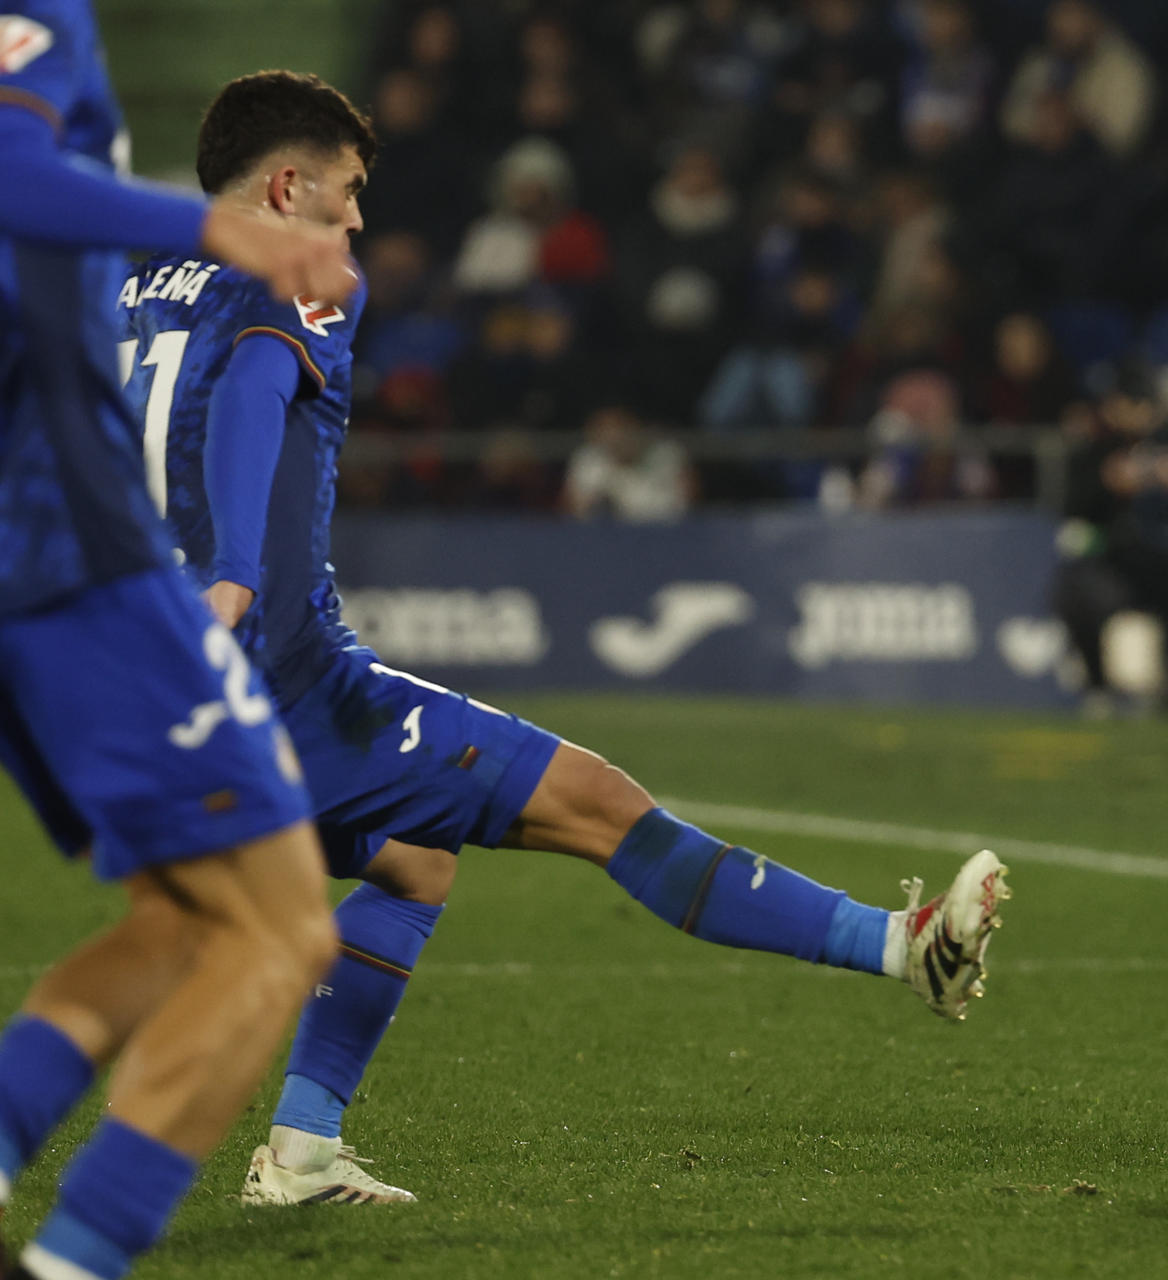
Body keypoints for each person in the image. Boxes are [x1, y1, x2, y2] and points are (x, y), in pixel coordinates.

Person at [123, 71, 1011, 1209]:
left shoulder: (135, 281)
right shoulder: (299, 268)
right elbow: (254, 391)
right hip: (281, 680)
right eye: (346, 192)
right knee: (600, 805)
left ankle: (301, 1155)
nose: (357, 221)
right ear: (287, 187)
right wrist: (236, 578)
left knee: (412, 858)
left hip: (162, 676)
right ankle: (904, 947)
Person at [0, 5, 358, 1278]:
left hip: (36, 554)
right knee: (275, 928)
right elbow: (11, 179)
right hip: (69, 544)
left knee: (180, 918)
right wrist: (223, 228)